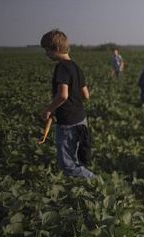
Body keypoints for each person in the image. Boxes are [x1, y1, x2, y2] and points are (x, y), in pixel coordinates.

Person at [39, 29, 95, 179]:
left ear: (55, 49)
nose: (46, 54)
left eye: (47, 50)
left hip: (68, 123)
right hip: (81, 119)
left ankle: (96, 183)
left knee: (68, 164)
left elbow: (63, 95)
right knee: (77, 158)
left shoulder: (62, 67)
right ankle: (84, 188)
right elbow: (86, 95)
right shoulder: (76, 67)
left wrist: (48, 109)